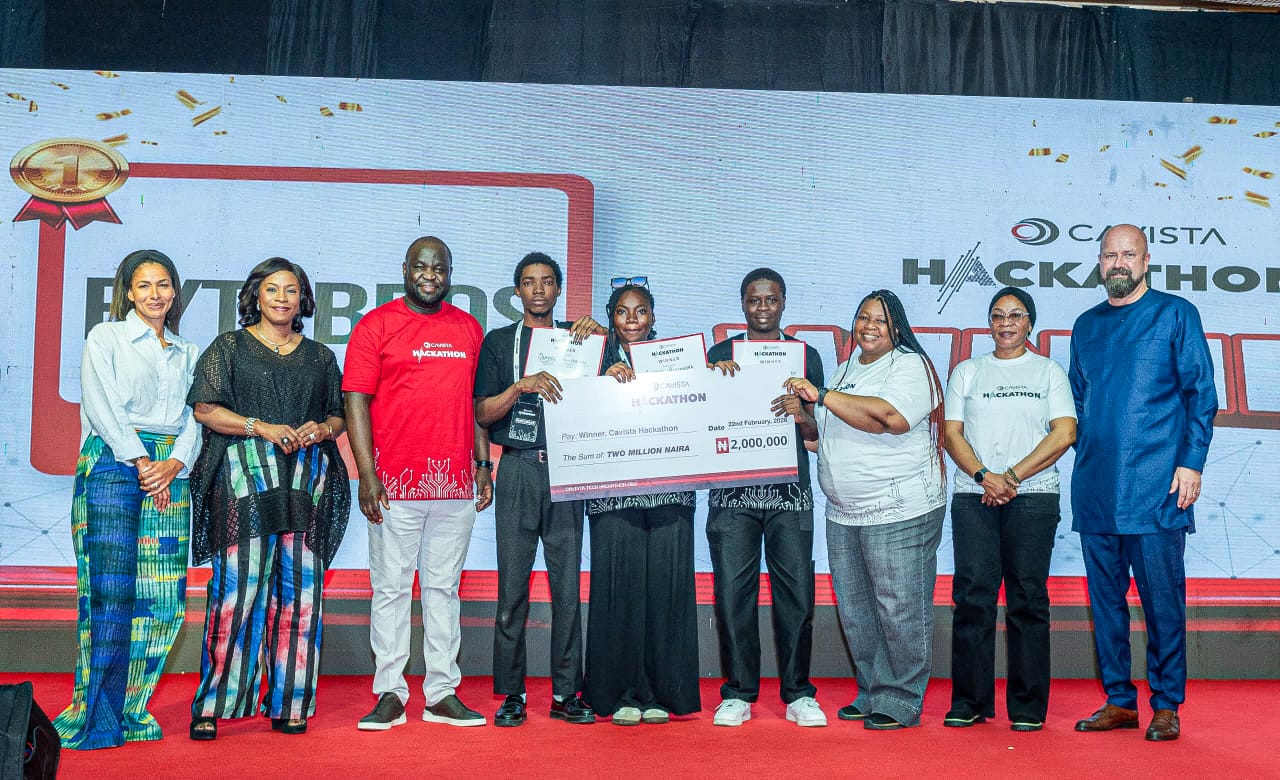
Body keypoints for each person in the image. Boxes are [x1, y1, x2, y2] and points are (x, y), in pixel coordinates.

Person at [186, 257, 349, 739]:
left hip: (306, 483)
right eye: (273, 289)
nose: (282, 298)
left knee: (302, 595)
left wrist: (323, 428)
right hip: (244, 484)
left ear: (303, 300)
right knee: (236, 593)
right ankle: (213, 703)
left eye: (292, 290)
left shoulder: (320, 356)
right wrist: (261, 427)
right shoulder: (229, 347)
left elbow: (338, 415)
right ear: (255, 294)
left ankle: (290, 702)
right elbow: (205, 410)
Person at [1069, 224, 1216, 742]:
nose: (1118, 264)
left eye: (1128, 254)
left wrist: (1192, 463)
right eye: (1110, 255)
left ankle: (1167, 704)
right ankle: (1119, 701)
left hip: (1158, 489)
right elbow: (1079, 403)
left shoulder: (1177, 314)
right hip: (1095, 489)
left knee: (1162, 602)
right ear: (1099, 261)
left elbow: (1201, 394)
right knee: (1105, 605)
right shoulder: (1085, 325)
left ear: (1146, 260)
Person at [53, 249, 200, 750]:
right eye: (144, 286)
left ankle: (132, 711)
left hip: (169, 471)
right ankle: (95, 717)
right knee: (109, 597)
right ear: (128, 292)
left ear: (175, 292)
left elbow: (195, 419)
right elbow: (102, 403)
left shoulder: (188, 350)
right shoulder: (106, 337)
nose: (154, 294)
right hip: (116, 463)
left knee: (163, 600)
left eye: (163, 285)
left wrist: (174, 465)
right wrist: (141, 463)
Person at [346, 236, 492, 730]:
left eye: (440, 268)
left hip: (454, 488)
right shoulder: (376, 325)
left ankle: (440, 693)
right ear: (405, 269)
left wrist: (482, 465)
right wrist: (367, 475)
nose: (430, 275)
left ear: (450, 272)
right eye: (421, 266)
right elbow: (356, 402)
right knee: (389, 590)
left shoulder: (470, 329)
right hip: (393, 486)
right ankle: (389, 691)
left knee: (442, 591)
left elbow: (477, 406)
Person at [784, 289, 946, 730]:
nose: (869, 326)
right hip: (844, 510)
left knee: (899, 607)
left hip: (899, 508)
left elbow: (887, 419)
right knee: (857, 609)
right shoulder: (848, 367)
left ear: (898, 326)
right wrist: (804, 416)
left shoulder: (912, 367)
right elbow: (824, 437)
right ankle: (873, 688)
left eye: (880, 319)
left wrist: (822, 395)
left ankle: (902, 699)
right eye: (862, 318)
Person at [474, 252, 603, 727]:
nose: (539, 291)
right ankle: (512, 694)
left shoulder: (579, 339)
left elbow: (613, 387)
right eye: (529, 283)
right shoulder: (498, 342)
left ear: (559, 288)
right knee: (512, 589)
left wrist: (602, 344)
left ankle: (567, 693)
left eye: (548, 282)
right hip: (519, 471)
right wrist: (520, 387)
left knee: (567, 590)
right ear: (517, 292)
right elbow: (482, 413)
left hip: (569, 470)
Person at [942, 286, 1076, 732]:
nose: (1005, 323)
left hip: (1034, 498)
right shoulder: (968, 371)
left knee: (1027, 600)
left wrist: (1012, 477)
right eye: (998, 315)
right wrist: (986, 476)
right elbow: (952, 434)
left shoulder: (1049, 372)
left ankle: (1028, 706)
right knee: (973, 598)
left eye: (1015, 315)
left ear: (1029, 323)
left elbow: (1064, 433)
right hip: (973, 495)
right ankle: (970, 701)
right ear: (989, 323)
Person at [584, 281, 715, 725]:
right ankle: (618, 692)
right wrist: (602, 382)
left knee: (666, 591)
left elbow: (703, 403)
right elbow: (571, 406)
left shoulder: (676, 361)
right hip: (611, 493)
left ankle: (662, 692)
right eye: (623, 312)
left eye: (641, 311)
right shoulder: (594, 359)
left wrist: (718, 373)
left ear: (654, 317)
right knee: (617, 591)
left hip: (670, 489)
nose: (633, 319)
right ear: (612, 318)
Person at [705, 268, 827, 728]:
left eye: (771, 300)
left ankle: (799, 693)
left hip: (790, 494)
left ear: (783, 303)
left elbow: (816, 434)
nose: (762, 308)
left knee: (795, 595)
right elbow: (701, 422)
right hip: (732, 494)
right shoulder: (719, 355)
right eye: (754, 300)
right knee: (733, 595)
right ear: (742, 304)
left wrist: (802, 416)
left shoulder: (805, 356)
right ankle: (738, 692)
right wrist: (713, 383)